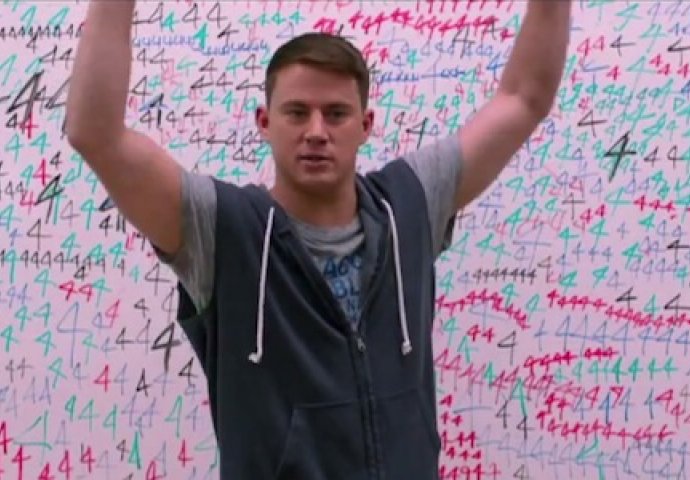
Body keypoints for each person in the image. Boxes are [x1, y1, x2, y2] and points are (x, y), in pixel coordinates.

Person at [66, 1, 571, 478]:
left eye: (335, 113)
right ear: (264, 122)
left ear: (365, 125)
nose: (315, 131)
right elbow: (96, 134)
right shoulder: (222, 230)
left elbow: (524, 98)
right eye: (296, 112)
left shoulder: (410, 205)